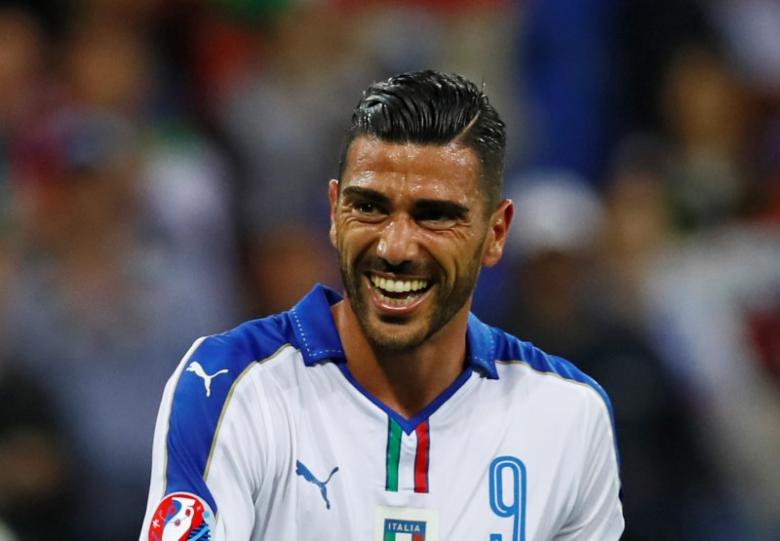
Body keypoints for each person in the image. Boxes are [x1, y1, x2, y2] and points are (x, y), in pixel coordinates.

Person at [139, 70, 624, 540]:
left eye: (434, 215)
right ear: (333, 213)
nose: (394, 248)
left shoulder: (569, 416)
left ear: (495, 233)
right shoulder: (231, 387)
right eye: (369, 207)